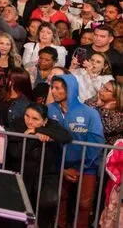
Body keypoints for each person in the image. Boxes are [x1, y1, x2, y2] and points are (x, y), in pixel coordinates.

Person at [48, 74, 105, 228]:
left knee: (84, 204)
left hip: (87, 167)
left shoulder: (89, 113)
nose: (53, 91)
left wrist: (80, 168)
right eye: (52, 87)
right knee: (59, 199)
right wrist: (62, 168)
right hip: (61, 166)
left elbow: (96, 143)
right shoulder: (49, 110)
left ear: (70, 89)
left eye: (57, 88)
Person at [6, 103, 73, 228]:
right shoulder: (18, 124)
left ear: (45, 120)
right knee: (21, 212)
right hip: (22, 175)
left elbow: (66, 137)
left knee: (46, 207)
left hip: (46, 176)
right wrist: (33, 137)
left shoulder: (51, 125)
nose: (29, 121)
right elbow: (16, 152)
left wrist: (38, 130)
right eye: (27, 116)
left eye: (35, 119)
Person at [85, 80, 123, 145]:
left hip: (108, 151)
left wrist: (104, 108)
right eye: (103, 86)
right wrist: (97, 104)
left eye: (106, 90)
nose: (101, 90)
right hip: (91, 147)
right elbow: (85, 106)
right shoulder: (96, 102)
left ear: (116, 96)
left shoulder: (120, 114)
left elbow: (107, 128)